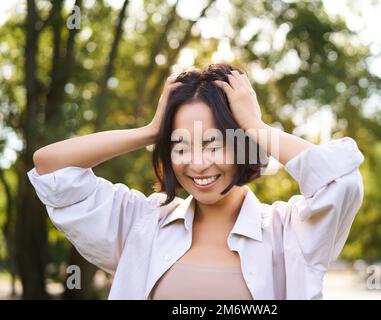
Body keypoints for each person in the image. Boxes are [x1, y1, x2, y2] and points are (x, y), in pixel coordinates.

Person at [28, 62, 364, 299]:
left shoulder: (288, 232)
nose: (197, 164)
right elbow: (51, 169)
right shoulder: (142, 223)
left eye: (212, 144)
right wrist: (150, 131)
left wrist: (256, 127)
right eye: (180, 146)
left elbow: (340, 180)